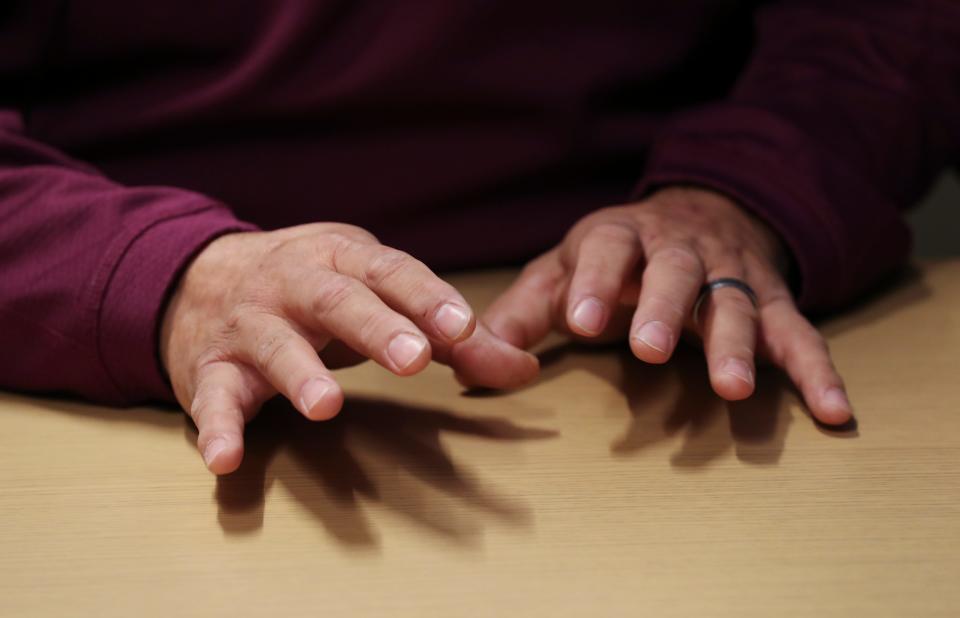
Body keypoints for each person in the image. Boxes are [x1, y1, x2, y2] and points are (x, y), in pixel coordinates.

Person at [1, 1, 957, 474]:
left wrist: (744, 188)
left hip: (640, 338)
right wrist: (163, 279)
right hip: (112, 358)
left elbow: (887, 22)